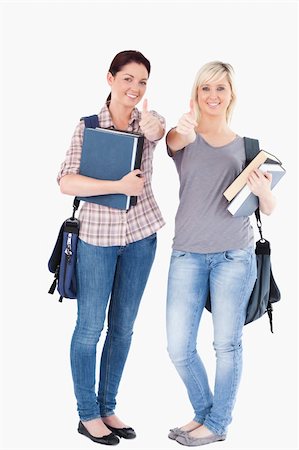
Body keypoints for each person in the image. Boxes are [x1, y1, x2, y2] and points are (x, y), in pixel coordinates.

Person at [57, 50, 165, 445]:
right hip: (97, 240)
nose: (135, 88)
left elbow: (160, 135)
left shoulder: (149, 122)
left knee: (123, 329)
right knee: (90, 329)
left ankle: (108, 407)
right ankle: (87, 415)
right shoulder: (88, 127)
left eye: (142, 82)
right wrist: (118, 187)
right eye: (128, 79)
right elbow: (66, 182)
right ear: (110, 79)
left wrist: (155, 127)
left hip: (141, 237)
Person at [165, 61, 276, 447]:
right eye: (205, 89)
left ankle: (217, 423)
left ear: (231, 95)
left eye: (221, 89)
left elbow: (268, 206)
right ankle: (205, 414)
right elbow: (174, 141)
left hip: (234, 255)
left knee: (226, 346)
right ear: (195, 95)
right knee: (178, 347)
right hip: (186, 255)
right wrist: (184, 127)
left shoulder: (247, 147)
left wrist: (264, 192)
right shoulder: (183, 136)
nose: (213, 96)